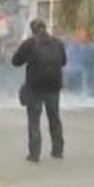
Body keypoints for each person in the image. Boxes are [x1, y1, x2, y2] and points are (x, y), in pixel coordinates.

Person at [12, 19, 67, 163]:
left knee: (34, 120)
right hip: (54, 87)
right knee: (54, 118)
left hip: (35, 88)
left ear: (33, 30)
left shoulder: (30, 43)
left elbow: (15, 62)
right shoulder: (57, 43)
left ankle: (34, 154)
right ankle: (58, 150)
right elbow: (64, 62)